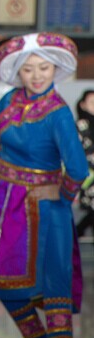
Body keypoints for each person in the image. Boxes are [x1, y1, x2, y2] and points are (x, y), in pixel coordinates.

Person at [0, 32, 94, 338]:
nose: (36, 75)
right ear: (19, 72)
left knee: (53, 280)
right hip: (7, 204)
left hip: (45, 209)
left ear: (55, 69)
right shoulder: (10, 100)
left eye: (43, 68)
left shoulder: (58, 112)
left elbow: (78, 168)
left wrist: (60, 193)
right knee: (0, 277)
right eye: (28, 69)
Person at [75, 89, 94, 240]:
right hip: (89, 176)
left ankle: (75, 233)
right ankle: (75, 233)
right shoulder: (80, 126)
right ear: (82, 105)